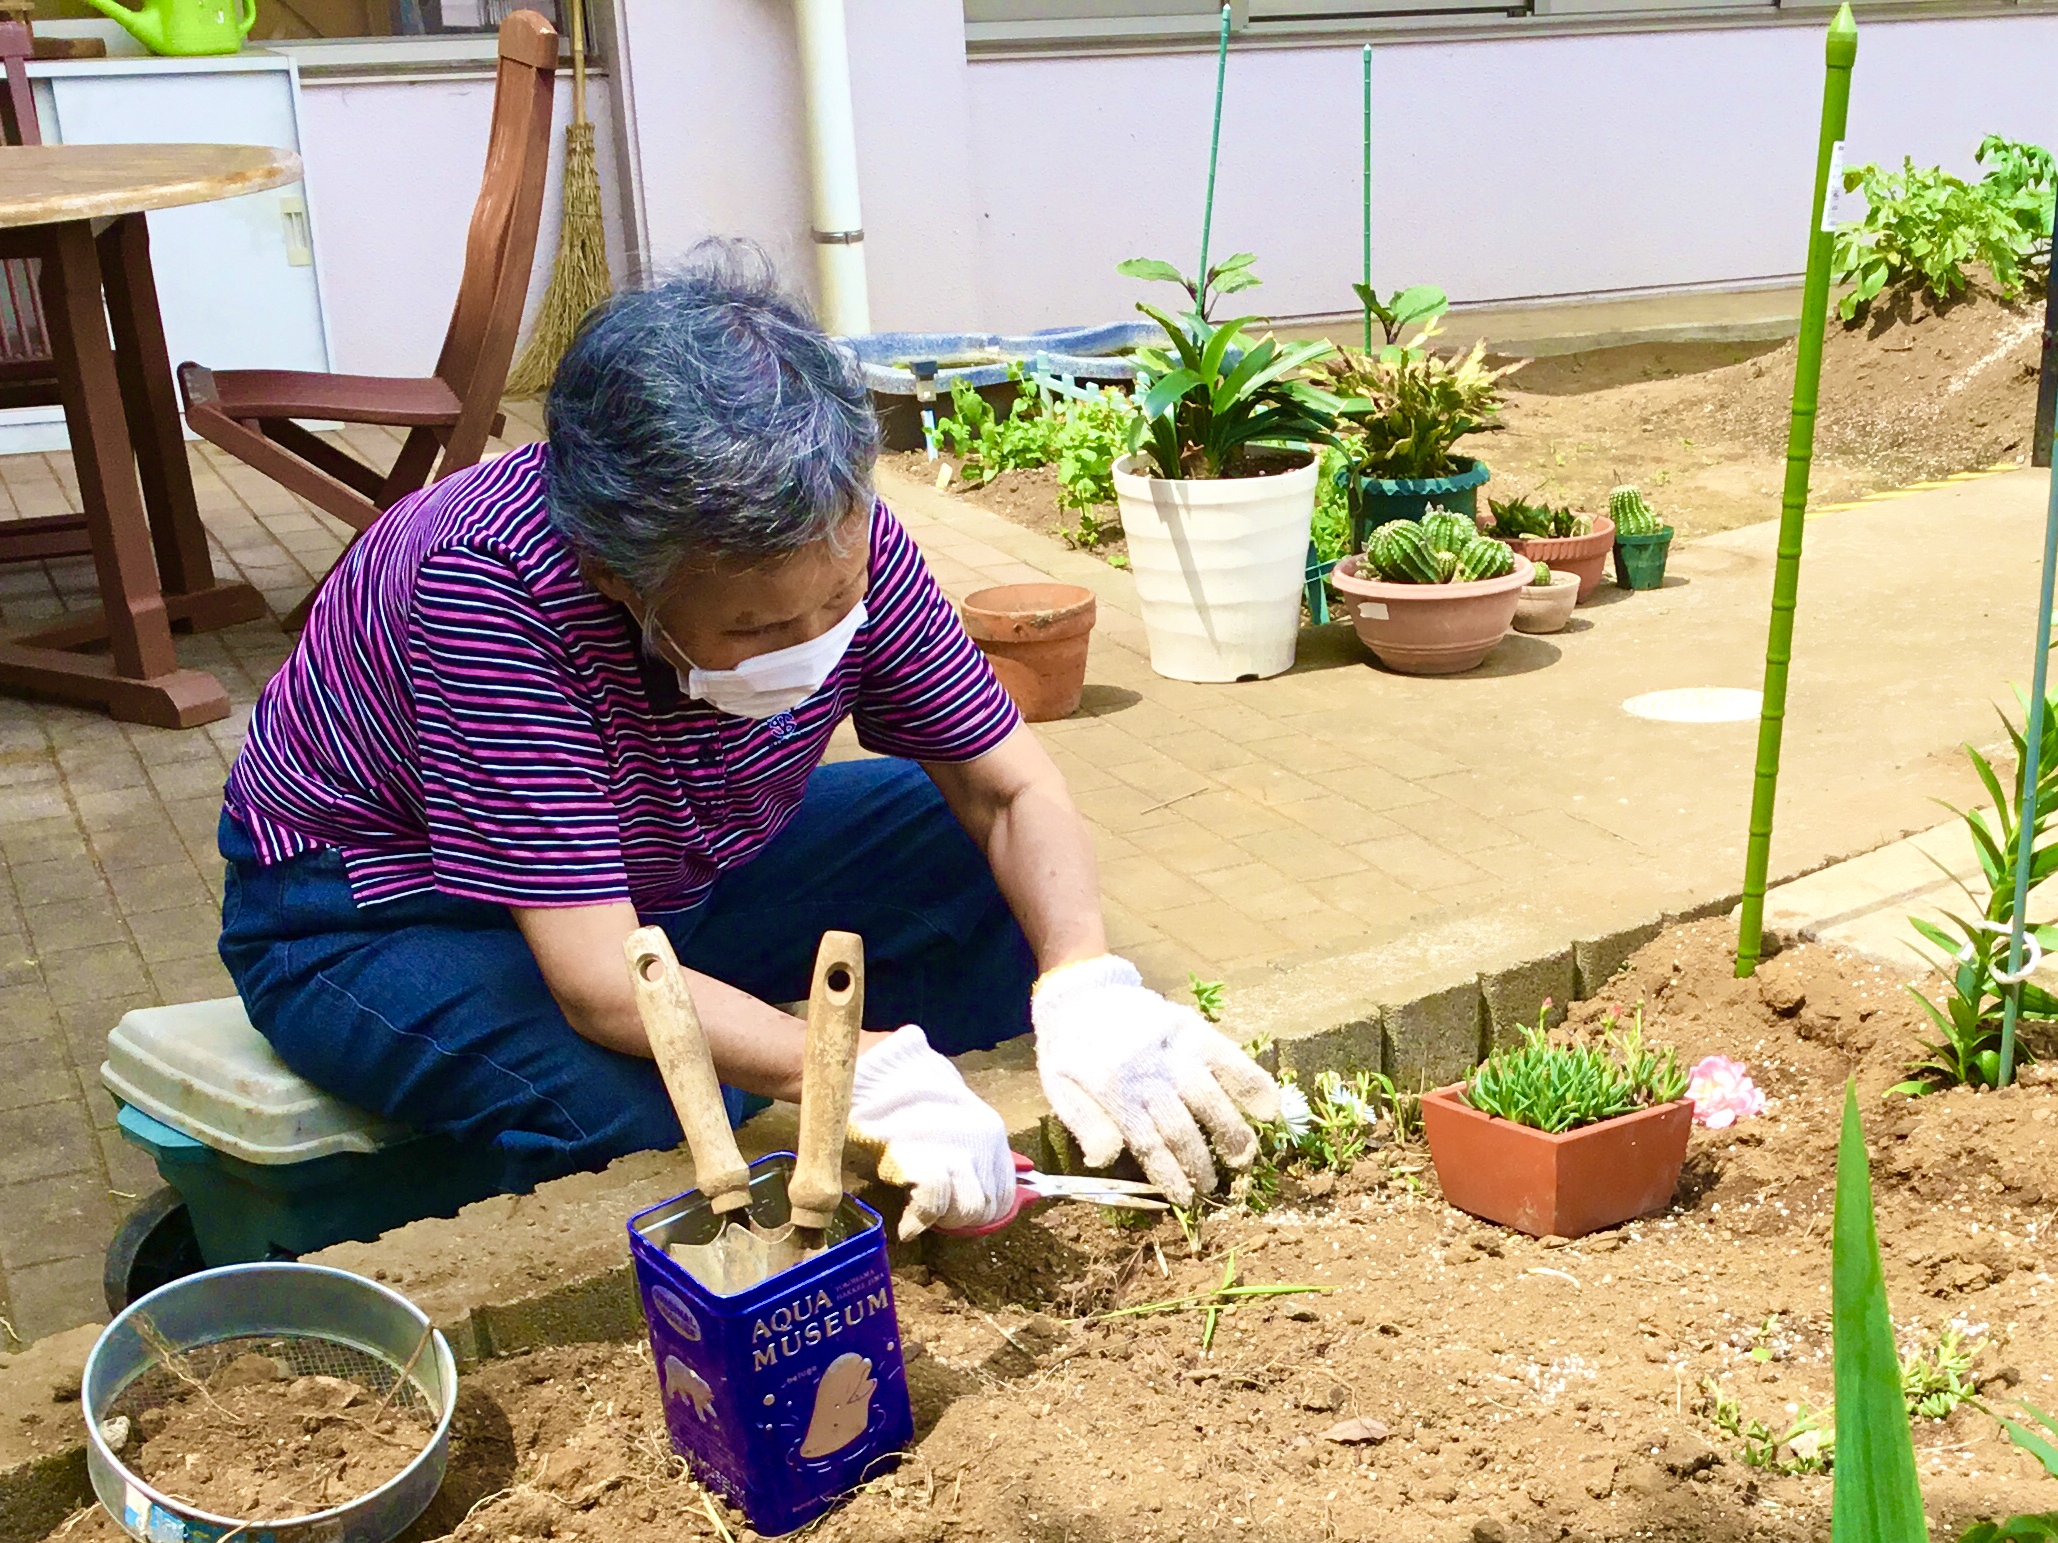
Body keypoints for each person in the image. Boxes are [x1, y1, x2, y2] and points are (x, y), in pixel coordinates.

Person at [213, 251, 1280, 1233]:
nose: (815, 639)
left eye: (838, 601)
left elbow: (1005, 793)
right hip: (384, 910)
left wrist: (1083, 981)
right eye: (759, 630)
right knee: (665, 1111)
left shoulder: (825, 525)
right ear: (616, 577)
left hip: (659, 872)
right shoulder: (483, 585)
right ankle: (525, 1247)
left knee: (959, 849)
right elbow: (597, 976)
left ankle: (965, 1161)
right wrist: (850, 1069)